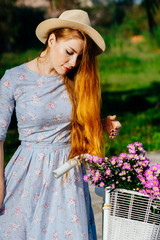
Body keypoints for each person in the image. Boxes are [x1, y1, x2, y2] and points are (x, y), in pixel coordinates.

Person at [0, 9, 121, 240]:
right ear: (52, 40)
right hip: (26, 174)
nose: (73, 62)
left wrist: (102, 123)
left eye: (79, 57)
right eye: (69, 52)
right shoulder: (14, 79)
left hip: (66, 177)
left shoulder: (76, 80)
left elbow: (80, 119)